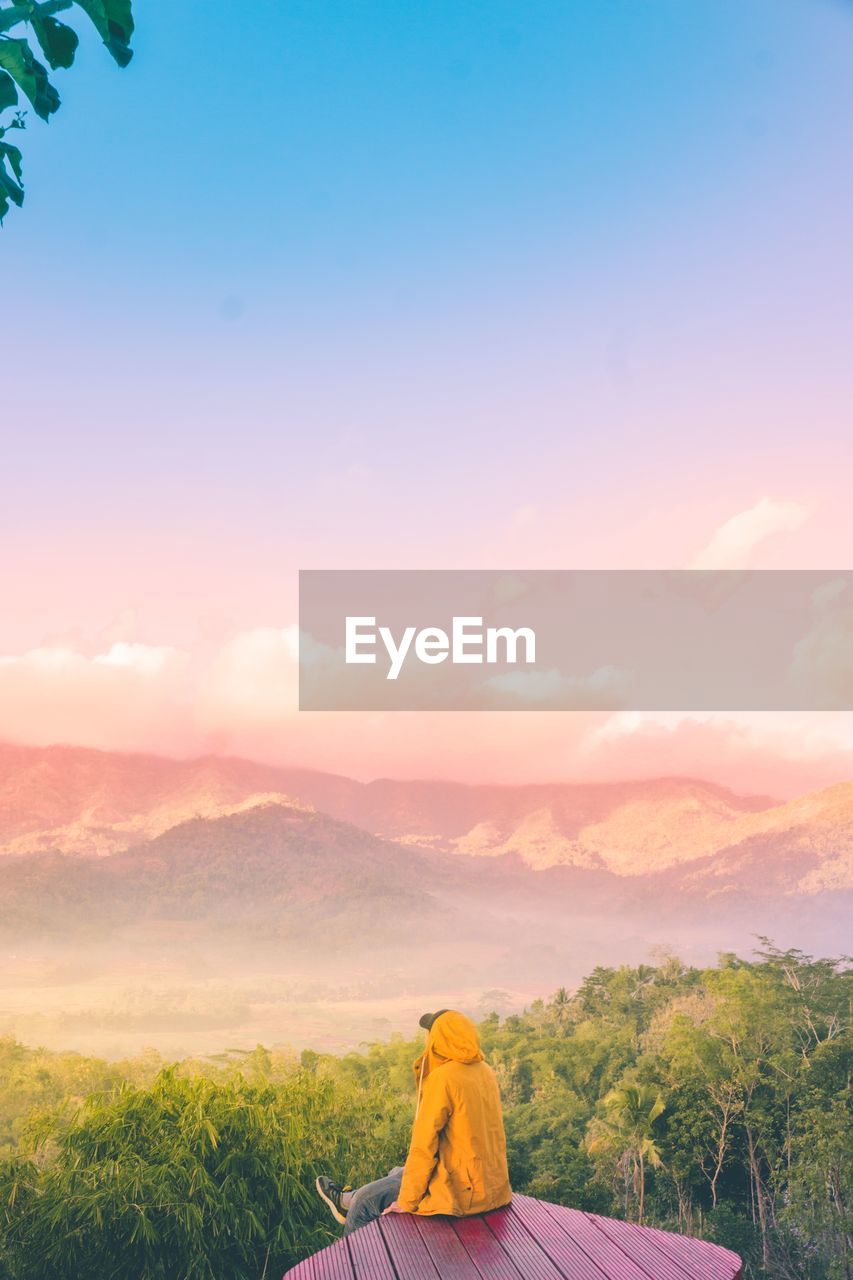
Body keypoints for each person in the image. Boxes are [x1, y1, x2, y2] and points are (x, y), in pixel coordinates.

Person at [315, 1008, 512, 1236]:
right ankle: (347, 1198)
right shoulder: (484, 1070)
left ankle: (353, 1263)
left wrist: (407, 1203)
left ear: (439, 1037)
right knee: (398, 1172)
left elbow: (423, 1148)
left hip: (463, 1193)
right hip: (491, 1186)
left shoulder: (444, 1078)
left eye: (429, 1033)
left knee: (364, 1204)